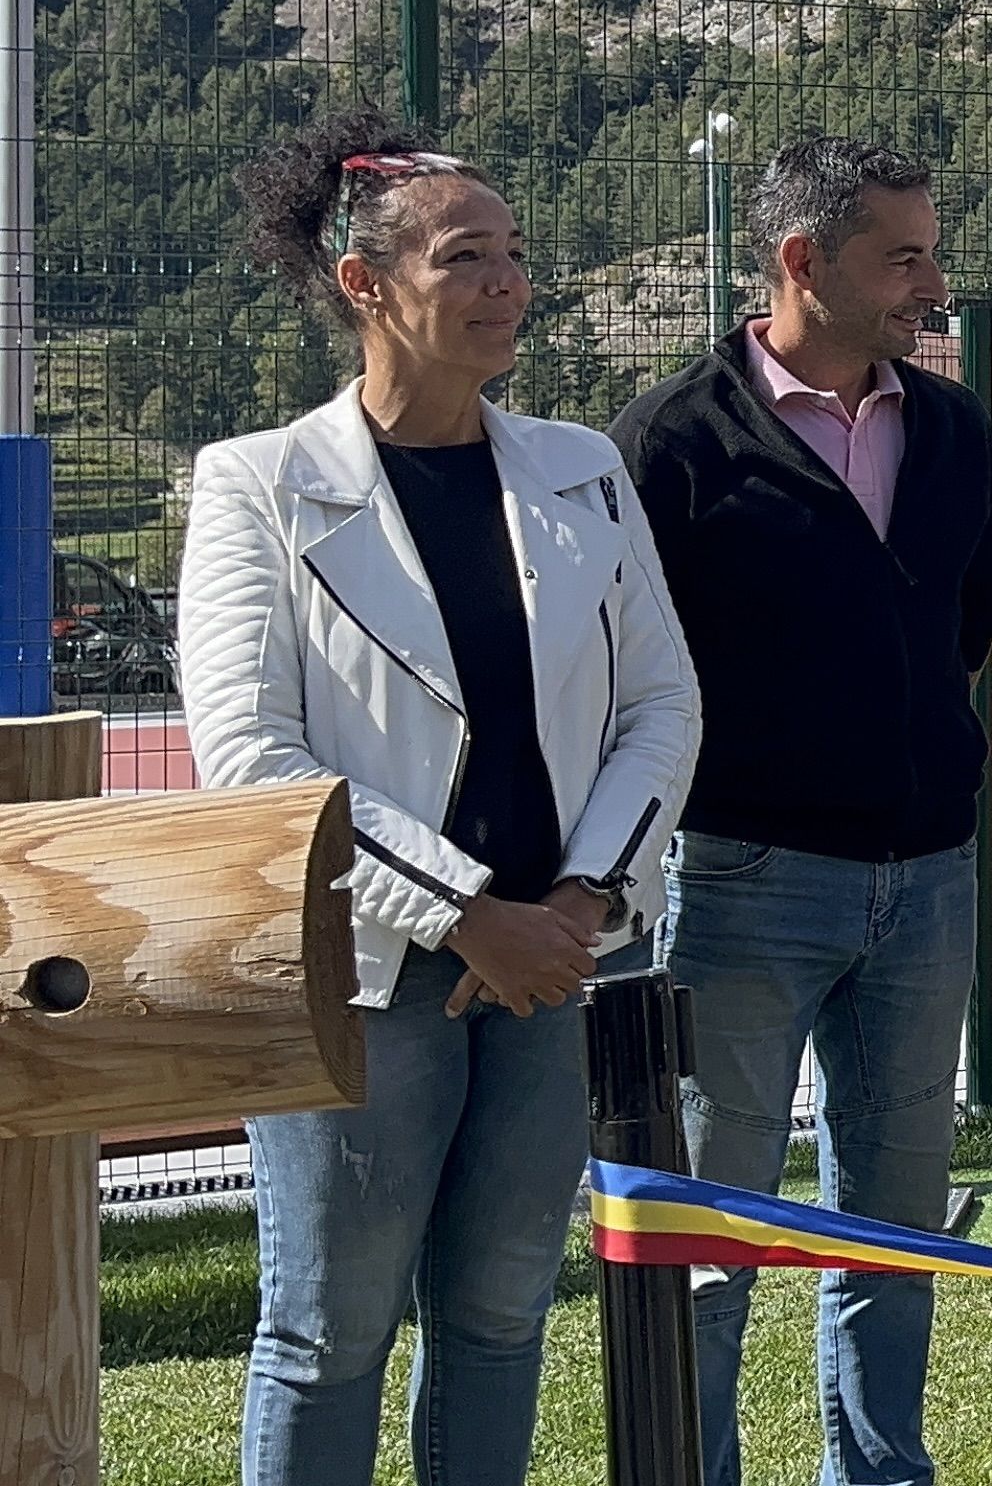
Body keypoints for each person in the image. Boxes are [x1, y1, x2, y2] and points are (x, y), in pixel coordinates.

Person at [182, 112, 701, 1486]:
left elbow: (664, 706)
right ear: (366, 287)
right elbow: (249, 757)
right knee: (328, 1331)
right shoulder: (260, 488)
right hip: (358, 978)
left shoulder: (580, 467)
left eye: (516, 256)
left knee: (499, 1316)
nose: (507, 285)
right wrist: (468, 913)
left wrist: (576, 906)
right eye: (468, 258)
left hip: (550, 972)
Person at [611, 137, 992, 1486]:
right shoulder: (669, 443)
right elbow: (632, 674)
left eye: (930, 251)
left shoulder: (954, 428)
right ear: (802, 262)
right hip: (741, 886)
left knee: (892, 1242)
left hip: (929, 883)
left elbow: (966, 622)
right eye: (903, 258)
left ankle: (881, 1474)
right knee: (712, 1249)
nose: (932, 282)